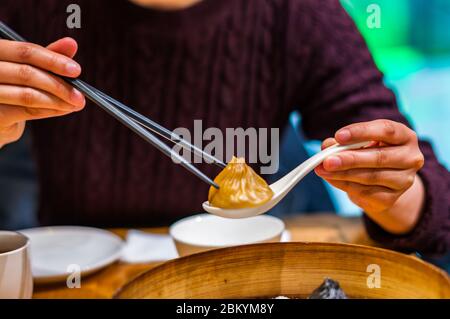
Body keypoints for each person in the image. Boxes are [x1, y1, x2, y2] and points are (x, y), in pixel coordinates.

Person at [0, 0, 448, 256]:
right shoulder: (30, 9)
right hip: (76, 270)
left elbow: (434, 198)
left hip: (246, 274)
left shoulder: (295, 13)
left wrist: (395, 190)